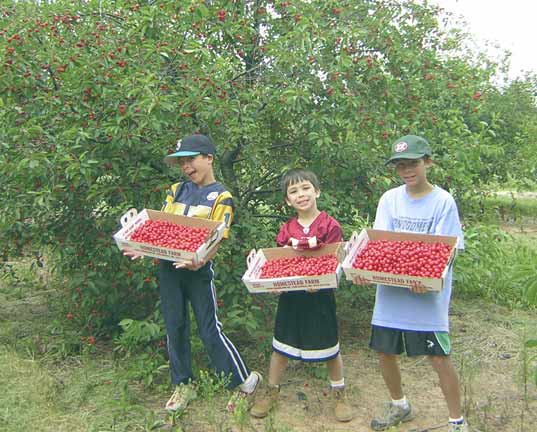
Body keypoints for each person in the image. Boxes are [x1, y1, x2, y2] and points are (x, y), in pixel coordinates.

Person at [124, 134, 261, 412]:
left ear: (208, 158)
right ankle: (183, 385)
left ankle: (244, 382)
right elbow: (160, 227)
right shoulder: (176, 190)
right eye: (182, 162)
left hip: (197, 272)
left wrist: (201, 260)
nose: (186, 166)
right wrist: (144, 246)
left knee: (210, 330)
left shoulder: (221, 196)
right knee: (174, 326)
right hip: (169, 269)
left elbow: (217, 237)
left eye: (191, 160)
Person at [352, 135, 468, 431]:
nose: (407, 170)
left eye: (413, 163)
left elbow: (447, 251)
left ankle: (457, 421)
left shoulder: (442, 201)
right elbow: (382, 245)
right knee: (384, 351)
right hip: (391, 292)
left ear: (427, 162)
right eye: (401, 165)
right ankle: (400, 405)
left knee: (439, 357)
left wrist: (425, 278)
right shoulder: (389, 199)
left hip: (427, 297)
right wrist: (366, 268)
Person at [250, 168, 353, 422]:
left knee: (330, 346)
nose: (301, 194)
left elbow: (333, 260)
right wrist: (268, 275)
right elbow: (280, 261)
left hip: (320, 296)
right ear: (287, 200)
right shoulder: (287, 229)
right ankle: (271, 391)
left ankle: (339, 392)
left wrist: (319, 280)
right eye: (293, 191)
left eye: (306, 188)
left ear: (317, 191)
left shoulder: (330, 225)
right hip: (292, 297)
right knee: (281, 345)